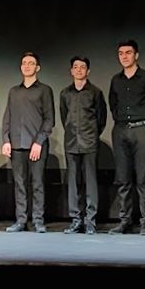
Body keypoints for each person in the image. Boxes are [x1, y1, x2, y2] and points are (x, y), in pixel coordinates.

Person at [107, 40, 145, 235]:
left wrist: (144, 124)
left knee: (143, 178)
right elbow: (113, 104)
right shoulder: (116, 80)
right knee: (123, 179)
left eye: (128, 52)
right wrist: (122, 122)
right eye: (121, 53)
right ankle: (125, 221)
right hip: (120, 130)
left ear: (136, 55)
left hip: (140, 129)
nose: (124, 56)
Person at [2, 52, 55, 233]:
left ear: (37, 67)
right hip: (17, 145)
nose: (27, 66)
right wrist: (5, 140)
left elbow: (49, 119)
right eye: (24, 63)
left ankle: (38, 220)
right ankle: (21, 220)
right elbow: (7, 117)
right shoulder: (13, 91)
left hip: (36, 146)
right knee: (20, 184)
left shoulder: (44, 90)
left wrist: (39, 142)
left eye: (31, 63)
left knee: (37, 184)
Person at [60, 56, 107, 234]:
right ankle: (75, 220)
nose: (79, 70)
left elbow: (101, 119)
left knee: (90, 183)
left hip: (89, 142)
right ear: (71, 71)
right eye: (75, 67)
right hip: (71, 142)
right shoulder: (65, 93)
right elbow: (64, 116)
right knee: (73, 183)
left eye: (82, 67)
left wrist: (92, 134)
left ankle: (90, 221)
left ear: (88, 71)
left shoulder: (95, 92)